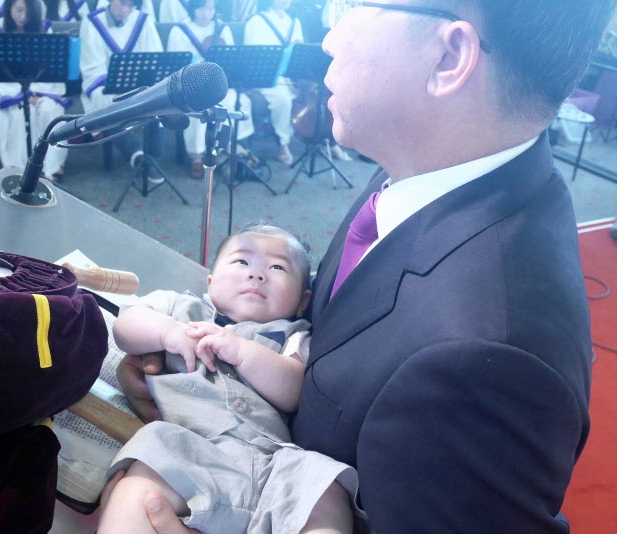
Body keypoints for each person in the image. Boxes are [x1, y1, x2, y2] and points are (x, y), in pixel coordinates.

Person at [114, 1, 617, 532]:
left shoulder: (489, 358)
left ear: (449, 56)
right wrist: (194, 382)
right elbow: (340, 339)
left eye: (352, 5)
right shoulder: (421, 171)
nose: (329, 38)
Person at [99, 224, 356, 534]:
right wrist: (168, 333)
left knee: (326, 491)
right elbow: (125, 326)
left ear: (303, 301)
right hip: (188, 448)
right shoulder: (179, 308)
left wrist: (243, 353)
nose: (256, 274)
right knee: (138, 487)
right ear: (211, 281)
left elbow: (294, 392)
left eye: (277, 267)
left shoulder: (294, 336)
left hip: (274, 461)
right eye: (242, 261)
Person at [166, 0, 254, 177]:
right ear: (193, 8)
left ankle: (228, 147)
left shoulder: (222, 28)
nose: (206, 14)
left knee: (240, 101)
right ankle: (197, 156)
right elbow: (175, 64)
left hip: (217, 82)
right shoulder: (180, 30)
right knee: (200, 107)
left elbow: (231, 58)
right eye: (201, 9)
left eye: (210, 9)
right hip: (190, 85)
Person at [0, 0, 70, 179]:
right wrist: (24, 93)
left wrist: (35, 92)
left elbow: (49, 68)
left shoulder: (44, 28)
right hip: (12, 90)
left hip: (42, 89)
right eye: (19, 10)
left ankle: (50, 166)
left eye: (29, 13)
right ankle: (19, 169)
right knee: (17, 113)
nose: (23, 17)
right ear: (9, 7)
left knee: (48, 110)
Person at [78, 0, 163, 173]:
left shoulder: (143, 20)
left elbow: (154, 57)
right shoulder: (92, 21)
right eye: (121, 3)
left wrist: (134, 81)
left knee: (157, 96)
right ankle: (135, 155)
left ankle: (154, 158)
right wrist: (115, 82)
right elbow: (92, 65)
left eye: (130, 6)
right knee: (103, 99)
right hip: (104, 82)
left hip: (137, 83)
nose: (124, 9)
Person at [243, 0, 302, 165]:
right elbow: (252, 57)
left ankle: (325, 141)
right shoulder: (256, 21)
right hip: (266, 77)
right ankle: (283, 143)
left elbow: (300, 53)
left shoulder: (294, 21)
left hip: (290, 77)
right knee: (282, 99)